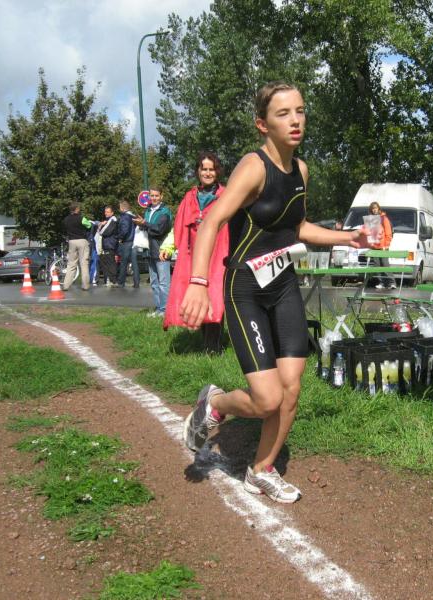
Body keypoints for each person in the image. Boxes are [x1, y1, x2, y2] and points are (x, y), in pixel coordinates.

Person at [180, 81, 369, 503]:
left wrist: (348, 237)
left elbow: (296, 227)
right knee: (267, 399)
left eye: (300, 111)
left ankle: (262, 470)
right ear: (262, 124)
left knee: (292, 389)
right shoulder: (253, 167)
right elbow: (212, 221)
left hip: (283, 284)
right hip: (245, 288)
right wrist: (198, 282)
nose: (296, 120)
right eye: (283, 114)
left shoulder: (301, 170)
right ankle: (216, 405)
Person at [160, 151, 229, 353]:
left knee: (215, 296)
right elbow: (178, 226)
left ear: (217, 171)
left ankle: (213, 346)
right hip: (192, 257)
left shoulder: (226, 196)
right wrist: (168, 246)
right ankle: (205, 342)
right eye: (204, 169)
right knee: (196, 295)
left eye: (211, 169)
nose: (208, 173)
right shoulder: (189, 197)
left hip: (218, 256)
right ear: (198, 171)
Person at [133, 187, 173, 317]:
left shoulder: (165, 212)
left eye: (156, 196)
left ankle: (165, 310)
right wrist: (141, 224)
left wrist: (145, 223)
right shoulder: (148, 210)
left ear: (161, 196)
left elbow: (159, 230)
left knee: (163, 283)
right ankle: (159, 308)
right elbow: (149, 228)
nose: (154, 198)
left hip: (162, 251)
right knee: (154, 283)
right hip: (150, 250)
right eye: (152, 196)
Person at [62, 202, 93, 291]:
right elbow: (89, 225)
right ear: (76, 209)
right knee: (84, 263)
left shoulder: (66, 219)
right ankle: (85, 285)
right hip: (82, 241)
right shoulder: (81, 218)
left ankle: (66, 285)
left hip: (71, 241)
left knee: (71, 264)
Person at [367, 201, 395, 290]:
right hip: (374, 246)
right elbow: (369, 233)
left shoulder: (383, 218)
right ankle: (382, 282)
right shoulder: (370, 219)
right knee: (377, 266)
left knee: (385, 264)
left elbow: (388, 232)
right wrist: (370, 244)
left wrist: (386, 245)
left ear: (379, 209)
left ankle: (391, 282)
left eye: (376, 208)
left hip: (383, 246)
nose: (374, 210)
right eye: (373, 208)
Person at [116, 200, 140, 288]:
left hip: (127, 241)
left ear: (122, 208)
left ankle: (121, 282)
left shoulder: (125, 217)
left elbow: (124, 229)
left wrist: (120, 238)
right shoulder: (133, 216)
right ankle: (136, 282)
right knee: (134, 262)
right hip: (134, 241)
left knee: (123, 262)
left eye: (120, 207)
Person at [98, 206, 119, 286]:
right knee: (106, 262)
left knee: (110, 262)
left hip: (110, 244)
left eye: (108, 212)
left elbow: (104, 232)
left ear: (112, 213)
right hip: (107, 244)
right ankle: (109, 280)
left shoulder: (112, 220)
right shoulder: (108, 220)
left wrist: (100, 225)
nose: (106, 213)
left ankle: (113, 281)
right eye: (105, 212)